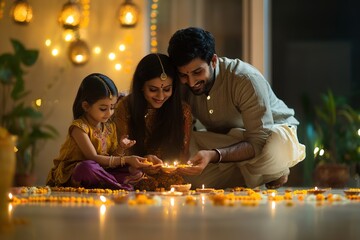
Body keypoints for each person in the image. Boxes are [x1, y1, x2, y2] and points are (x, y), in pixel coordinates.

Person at [167, 27, 306, 189]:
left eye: (198, 72)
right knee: (191, 165)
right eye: (184, 75)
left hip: (269, 137)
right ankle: (264, 175)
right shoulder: (182, 85)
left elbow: (259, 141)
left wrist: (214, 155)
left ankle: (266, 170)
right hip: (230, 142)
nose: (191, 82)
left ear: (213, 61)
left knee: (276, 146)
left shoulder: (245, 79)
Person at [46, 73, 150, 190]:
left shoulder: (109, 127)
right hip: (76, 172)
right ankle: (118, 185)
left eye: (112, 107)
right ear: (86, 106)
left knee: (134, 170)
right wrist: (126, 159)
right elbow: (93, 157)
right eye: (103, 108)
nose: (109, 113)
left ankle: (110, 182)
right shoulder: (79, 127)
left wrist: (121, 148)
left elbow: (110, 159)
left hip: (102, 170)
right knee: (86, 167)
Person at [113, 53, 192, 190]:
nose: (161, 96)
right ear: (141, 86)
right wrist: (143, 162)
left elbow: (182, 155)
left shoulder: (182, 111)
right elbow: (120, 153)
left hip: (170, 178)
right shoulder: (125, 107)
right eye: (153, 90)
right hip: (133, 176)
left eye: (167, 89)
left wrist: (170, 167)